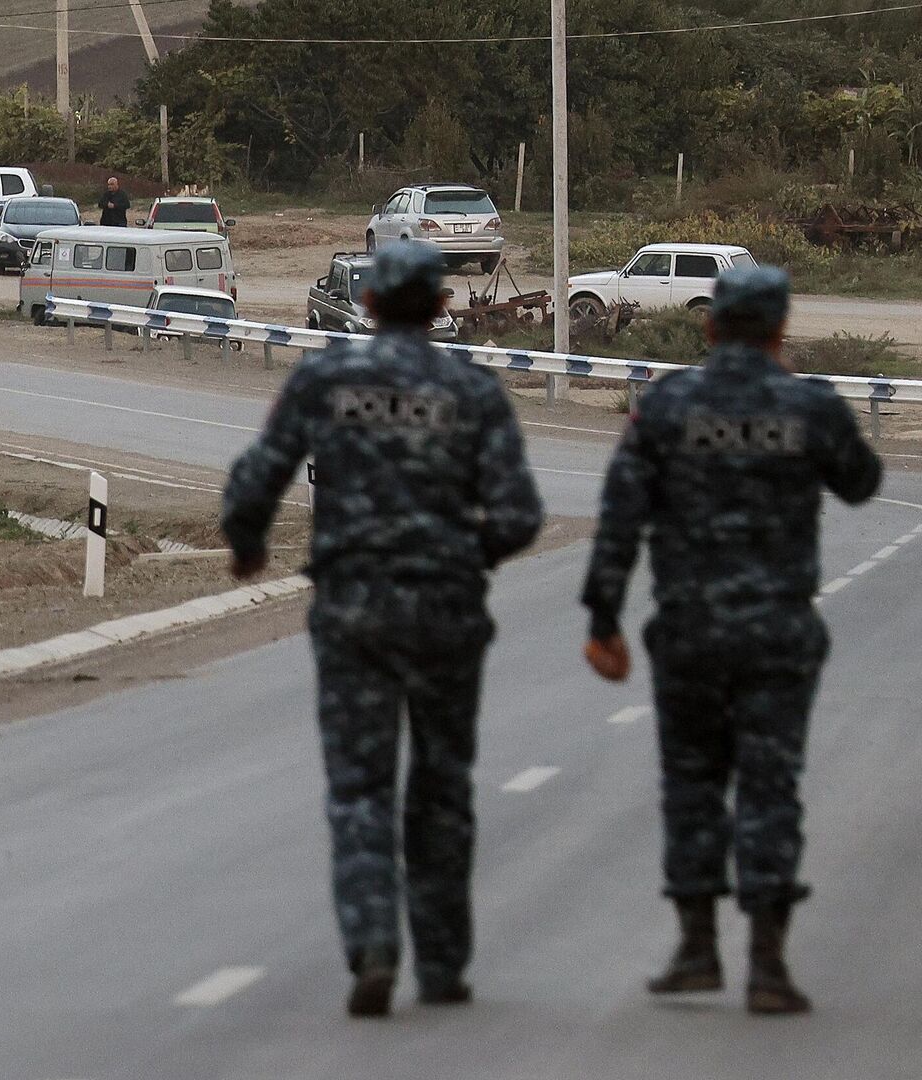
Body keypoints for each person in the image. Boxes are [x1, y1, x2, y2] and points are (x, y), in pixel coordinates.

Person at [221, 240, 543, 1017]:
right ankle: (441, 963)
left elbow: (258, 474)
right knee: (441, 787)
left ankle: (372, 944)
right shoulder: (471, 389)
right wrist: (467, 558)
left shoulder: (326, 379)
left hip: (354, 611)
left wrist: (249, 542)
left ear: (366, 305)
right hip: (445, 615)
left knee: (361, 788)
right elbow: (520, 513)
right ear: (438, 306)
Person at [580, 264, 880, 1016]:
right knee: (771, 787)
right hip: (779, 631)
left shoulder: (669, 404)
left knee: (692, 785)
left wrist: (603, 618)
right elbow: (862, 483)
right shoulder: (808, 406)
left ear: (708, 328)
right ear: (781, 329)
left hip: (689, 632)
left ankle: (697, 949)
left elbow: (621, 516)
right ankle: (770, 965)